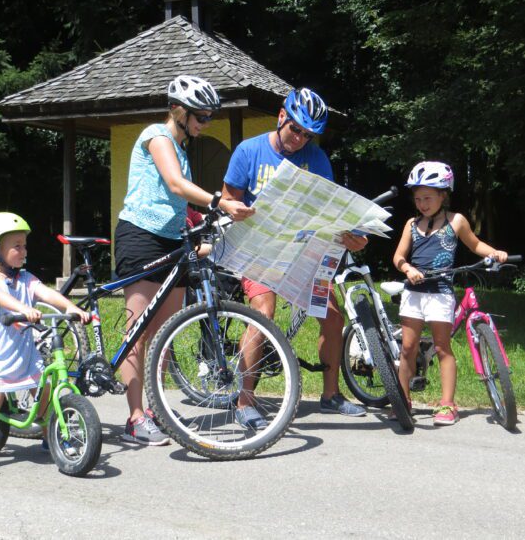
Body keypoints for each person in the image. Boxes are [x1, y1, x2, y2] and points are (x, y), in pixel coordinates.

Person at [114, 75, 254, 445]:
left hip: (172, 240)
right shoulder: (156, 136)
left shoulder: (181, 147)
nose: (204, 124)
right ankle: (133, 417)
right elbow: (176, 186)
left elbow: (180, 201)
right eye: (201, 117)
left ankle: (156, 408)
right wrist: (220, 201)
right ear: (178, 110)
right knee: (138, 334)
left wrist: (209, 222)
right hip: (141, 236)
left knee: (164, 335)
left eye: (208, 118)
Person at [223, 87, 368, 429]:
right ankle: (245, 402)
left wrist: (352, 236)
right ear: (281, 116)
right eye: (296, 130)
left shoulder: (316, 159)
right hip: (258, 249)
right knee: (264, 312)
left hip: (300, 252)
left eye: (309, 134)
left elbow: (331, 209)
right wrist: (238, 213)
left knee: (333, 317)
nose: (301, 139)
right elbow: (228, 200)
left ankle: (330, 396)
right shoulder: (249, 151)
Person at [393, 161, 508, 426]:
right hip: (414, 292)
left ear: (443, 195)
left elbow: (476, 244)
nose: (422, 204)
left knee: (443, 347)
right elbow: (398, 256)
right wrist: (407, 268)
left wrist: (495, 253)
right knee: (408, 348)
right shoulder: (411, 224)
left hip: (441, 293)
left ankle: (447, 403)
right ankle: (403, 401)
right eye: (418, 198)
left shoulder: (456, 221)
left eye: (428, 198)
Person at [0, 212, 90, 476]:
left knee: (46, 390)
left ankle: (50, 434)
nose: (23, 250)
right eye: (16, 245)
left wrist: (73, 308)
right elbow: (0, 299)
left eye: (24, 245)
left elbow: (49, 294)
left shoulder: (26, 279)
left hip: (25, 354)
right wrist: (23, 309)